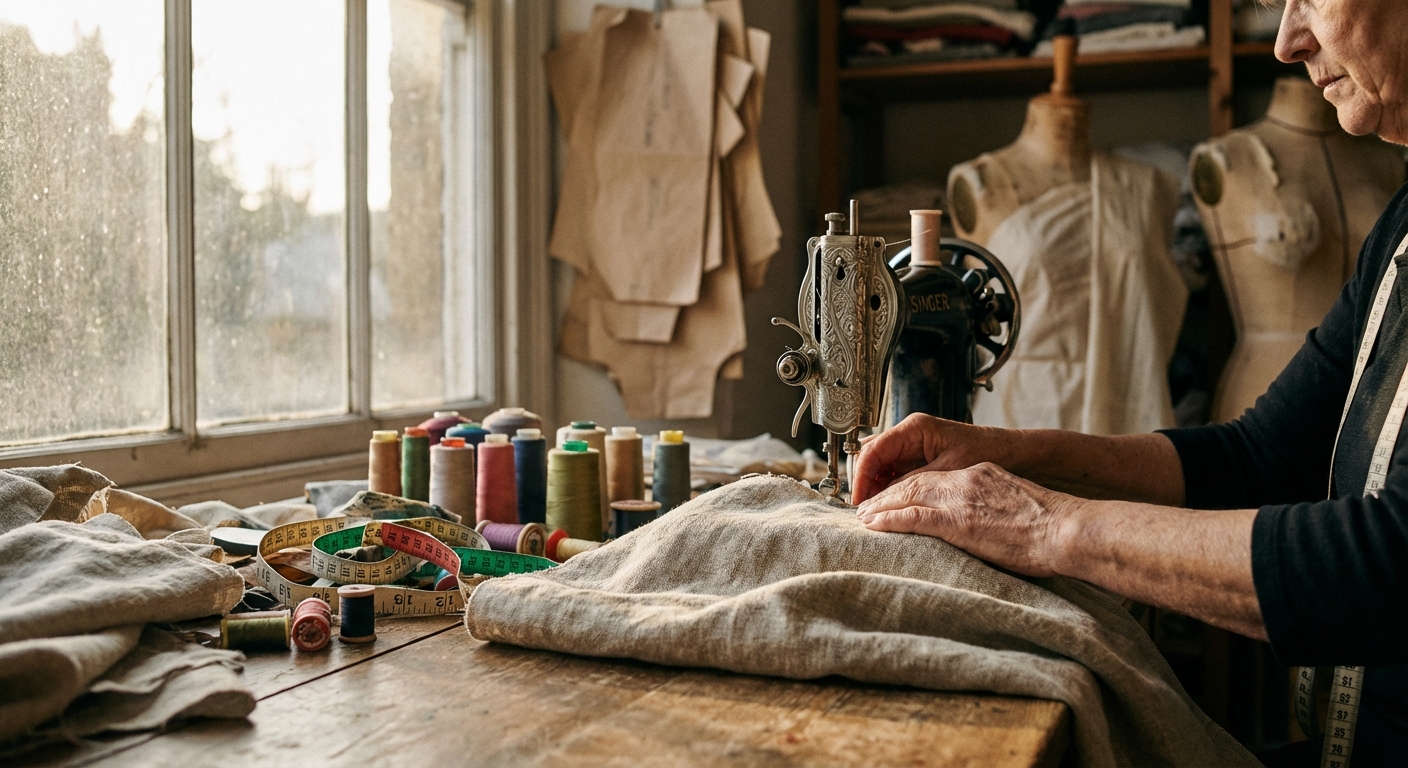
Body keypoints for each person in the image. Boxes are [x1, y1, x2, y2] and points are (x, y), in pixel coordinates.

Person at [852, 1, 1408, 765]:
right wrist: (1007, 455)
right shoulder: (1403, 228)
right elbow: (1259, 456)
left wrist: (1044, 527)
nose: (1286, 41)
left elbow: (1390, 565)